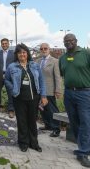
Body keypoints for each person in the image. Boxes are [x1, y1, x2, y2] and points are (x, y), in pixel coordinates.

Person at [5, 43, 47, 153]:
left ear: (27, 53)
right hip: (19, 98)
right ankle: (23, 143)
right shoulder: (12, 66)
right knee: (22, 121)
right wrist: (13, 88)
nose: (22, 54)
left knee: (32, 121)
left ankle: (34, 143)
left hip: (34, 98)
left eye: (24, 52)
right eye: (19, 53)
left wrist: (43, 96)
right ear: (17, 54)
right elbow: (6, 80)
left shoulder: (35, 65)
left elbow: (42, 81)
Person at [59, 33, 90, 167]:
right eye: (66, 41)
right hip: (69, 93)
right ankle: (82, 146)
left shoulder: (86, 53)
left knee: (85, 122)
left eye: (71, 40)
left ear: (76, 41)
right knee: (74, 121)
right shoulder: (63, 58)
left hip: (84, 93)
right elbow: (62, 73)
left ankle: (83, 152)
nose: (68, 42)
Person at [36, 43, 62, 137]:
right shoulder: (38, 61)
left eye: (45, 48)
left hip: (50, 90)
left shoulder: (55, 61)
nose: (43, 50)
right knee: (43, 109)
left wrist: (58, 90)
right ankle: (47, 125)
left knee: (52, 109)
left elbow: (58, 77)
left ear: (49, 49)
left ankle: (56, 128)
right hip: (39, 90)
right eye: (41, 48)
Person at [0, 38, 15, 118]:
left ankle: (11, 110)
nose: (4, 45)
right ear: (1, 45)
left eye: (6, 43)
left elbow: (15, 64)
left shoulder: (13, 54)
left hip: (10, 75)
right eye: (3, 43)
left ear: (8, 44)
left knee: (10, 92)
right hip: (0, 75)